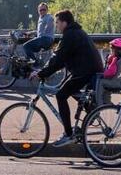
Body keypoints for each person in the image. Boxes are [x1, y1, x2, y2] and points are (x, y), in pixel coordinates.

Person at [32, 10, 103, 147]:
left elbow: (59, 59)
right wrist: (45, 71)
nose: (56, 25)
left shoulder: (70, 34)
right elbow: (59, 57)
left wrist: (41, 74)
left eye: (58, 22)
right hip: (87, 69)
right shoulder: (74, 32)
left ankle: (69, 134)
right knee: (66, 89)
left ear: (65, 22)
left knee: (61, 95)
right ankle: (91, 109)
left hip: (85, 71)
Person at [100, 38, 121, 104]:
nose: (111, 51)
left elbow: (111, 72)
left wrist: (102, 74)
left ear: (120, 50)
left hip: (115, 82)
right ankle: (107, 103)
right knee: (105, 91)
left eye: (113, 49)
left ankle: (98, 103)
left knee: (100, 82)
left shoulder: (116, 59)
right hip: (119, 81)